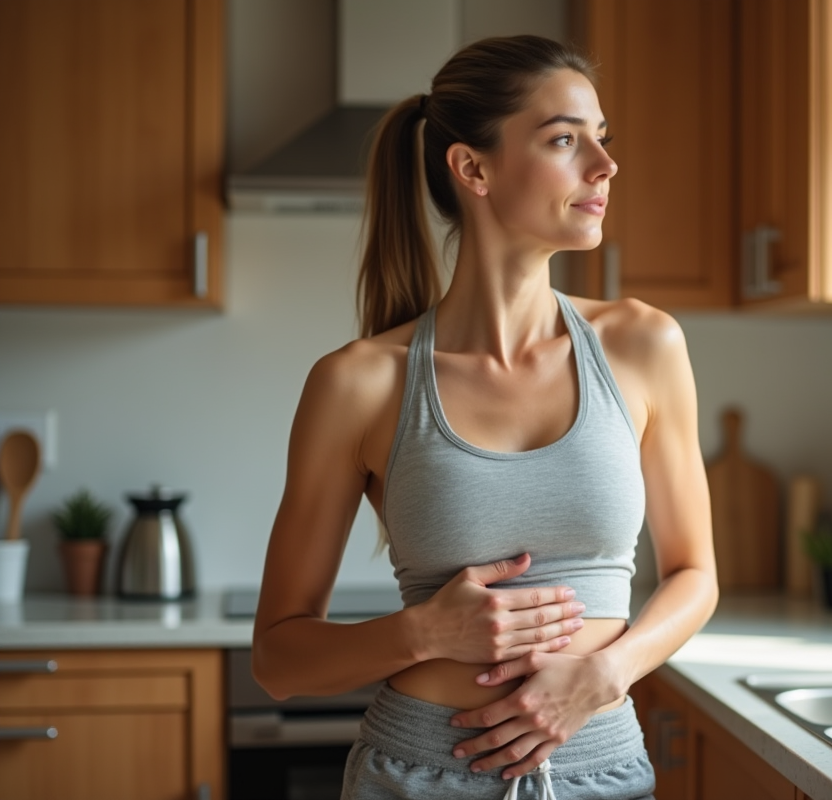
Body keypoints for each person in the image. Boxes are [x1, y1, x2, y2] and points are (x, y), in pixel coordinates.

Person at [251, 34, 717, 800]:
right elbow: (277, 658)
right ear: (473, 168)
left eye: (601, 139)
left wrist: (604, 674)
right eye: (566, 140)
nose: (604, 166)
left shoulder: (643, 344)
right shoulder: (359, 383)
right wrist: (423, 633)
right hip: (418, 776)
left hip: (603, 770)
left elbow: (695, 574)